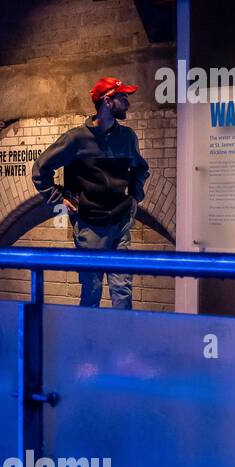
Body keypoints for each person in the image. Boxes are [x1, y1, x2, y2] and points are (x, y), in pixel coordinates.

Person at [31, 77, 150, 308]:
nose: (127, 102)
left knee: (122, 291)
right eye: (122, 97)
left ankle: (120, 343)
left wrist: (135, 197)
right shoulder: (76, 139)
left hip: (120, 224)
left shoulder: (126, 137)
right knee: (92, 294)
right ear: (107, 101)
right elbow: (40, 170)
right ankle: (88, 342)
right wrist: (59, 199)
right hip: (89, 226)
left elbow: (140, 169)